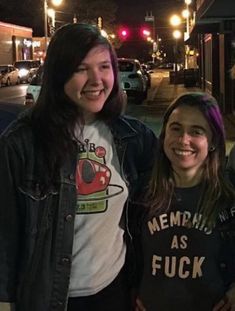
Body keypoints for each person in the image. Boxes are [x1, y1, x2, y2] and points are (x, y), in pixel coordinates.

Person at [0, 23, 158, 311]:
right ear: (59, 74)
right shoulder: (21, 143)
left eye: (104, 67)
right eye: (81, 69)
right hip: (47, 298)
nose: (96, 80)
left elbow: (159, 207)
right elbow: (6, 234)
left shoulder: (134, 138)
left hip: (115, 290)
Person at [134, 92, 235, 311]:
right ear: (164, 135)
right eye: (176, 128)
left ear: (214, 142)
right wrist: (130, 291)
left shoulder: (228, 198)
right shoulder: (140, 193)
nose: (183, 140)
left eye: (196, 132)